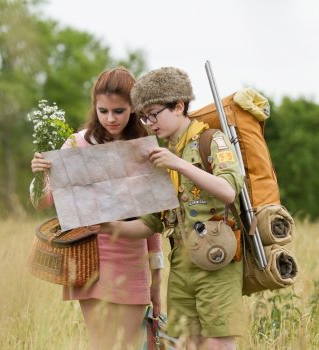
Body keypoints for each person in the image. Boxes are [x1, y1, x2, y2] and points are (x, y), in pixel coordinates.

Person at [99, 67, 245, 350]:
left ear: (178, 106)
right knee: (181, 345)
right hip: (181, 266)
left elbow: (228, 190)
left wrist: (178, 164)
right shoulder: (162, 154)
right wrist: (107, 227)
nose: (150, 123)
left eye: (154, 113)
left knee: (217, 344)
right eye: (144, 116)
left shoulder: (210, 140)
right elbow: (150, 223)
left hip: (217, 260)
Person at [29, 67, 164, 349]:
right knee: (101, 343)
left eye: (119, 111)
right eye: (103, 111)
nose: (110, 119)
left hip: (131, 256)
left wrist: (156, 281)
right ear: (95, 107)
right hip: (89, 255)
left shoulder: (145, 150)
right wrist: (41, 174)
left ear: (133, 108)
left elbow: (153, 225)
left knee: (128, 344)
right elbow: (43, 201)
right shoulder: (77, 143)